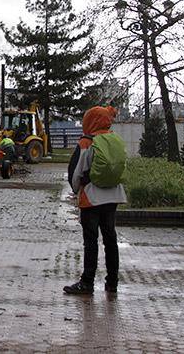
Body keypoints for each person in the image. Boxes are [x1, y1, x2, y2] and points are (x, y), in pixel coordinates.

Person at [64, 106, 127, 296]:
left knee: (91, 242)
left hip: (91, 198)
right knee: (111, 239)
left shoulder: (86, 142)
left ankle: (87, 282)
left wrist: (77, 190)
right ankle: (112, 282)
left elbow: (75, 172)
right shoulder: (114, 139)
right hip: (113, 196)